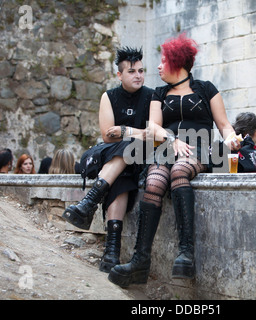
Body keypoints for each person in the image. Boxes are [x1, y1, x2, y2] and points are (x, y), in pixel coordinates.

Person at [108, 33, 241, 288]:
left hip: (200, 148)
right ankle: (139, 262)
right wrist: (172, 140)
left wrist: (233, 138)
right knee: (155, 181)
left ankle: (186, 254)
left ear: (177, 63)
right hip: (168, 148)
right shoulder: (159, 93)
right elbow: (154, 128)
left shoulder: (206, 88)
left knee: (180, 170)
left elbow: (224, 125)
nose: (158, 67)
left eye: (163, 61)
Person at [62, 47, 154, 273]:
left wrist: (124, 130)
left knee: (126, 164)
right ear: (119, 75)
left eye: (141, 71)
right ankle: (111, 252)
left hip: (138, 158)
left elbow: (151, 133)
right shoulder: (109, 97)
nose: (138, 75)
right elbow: (106, 135)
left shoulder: (152, 96)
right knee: (124, 158)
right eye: (132, 71)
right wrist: (137, 132)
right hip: (107, 155)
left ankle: (89, 204)